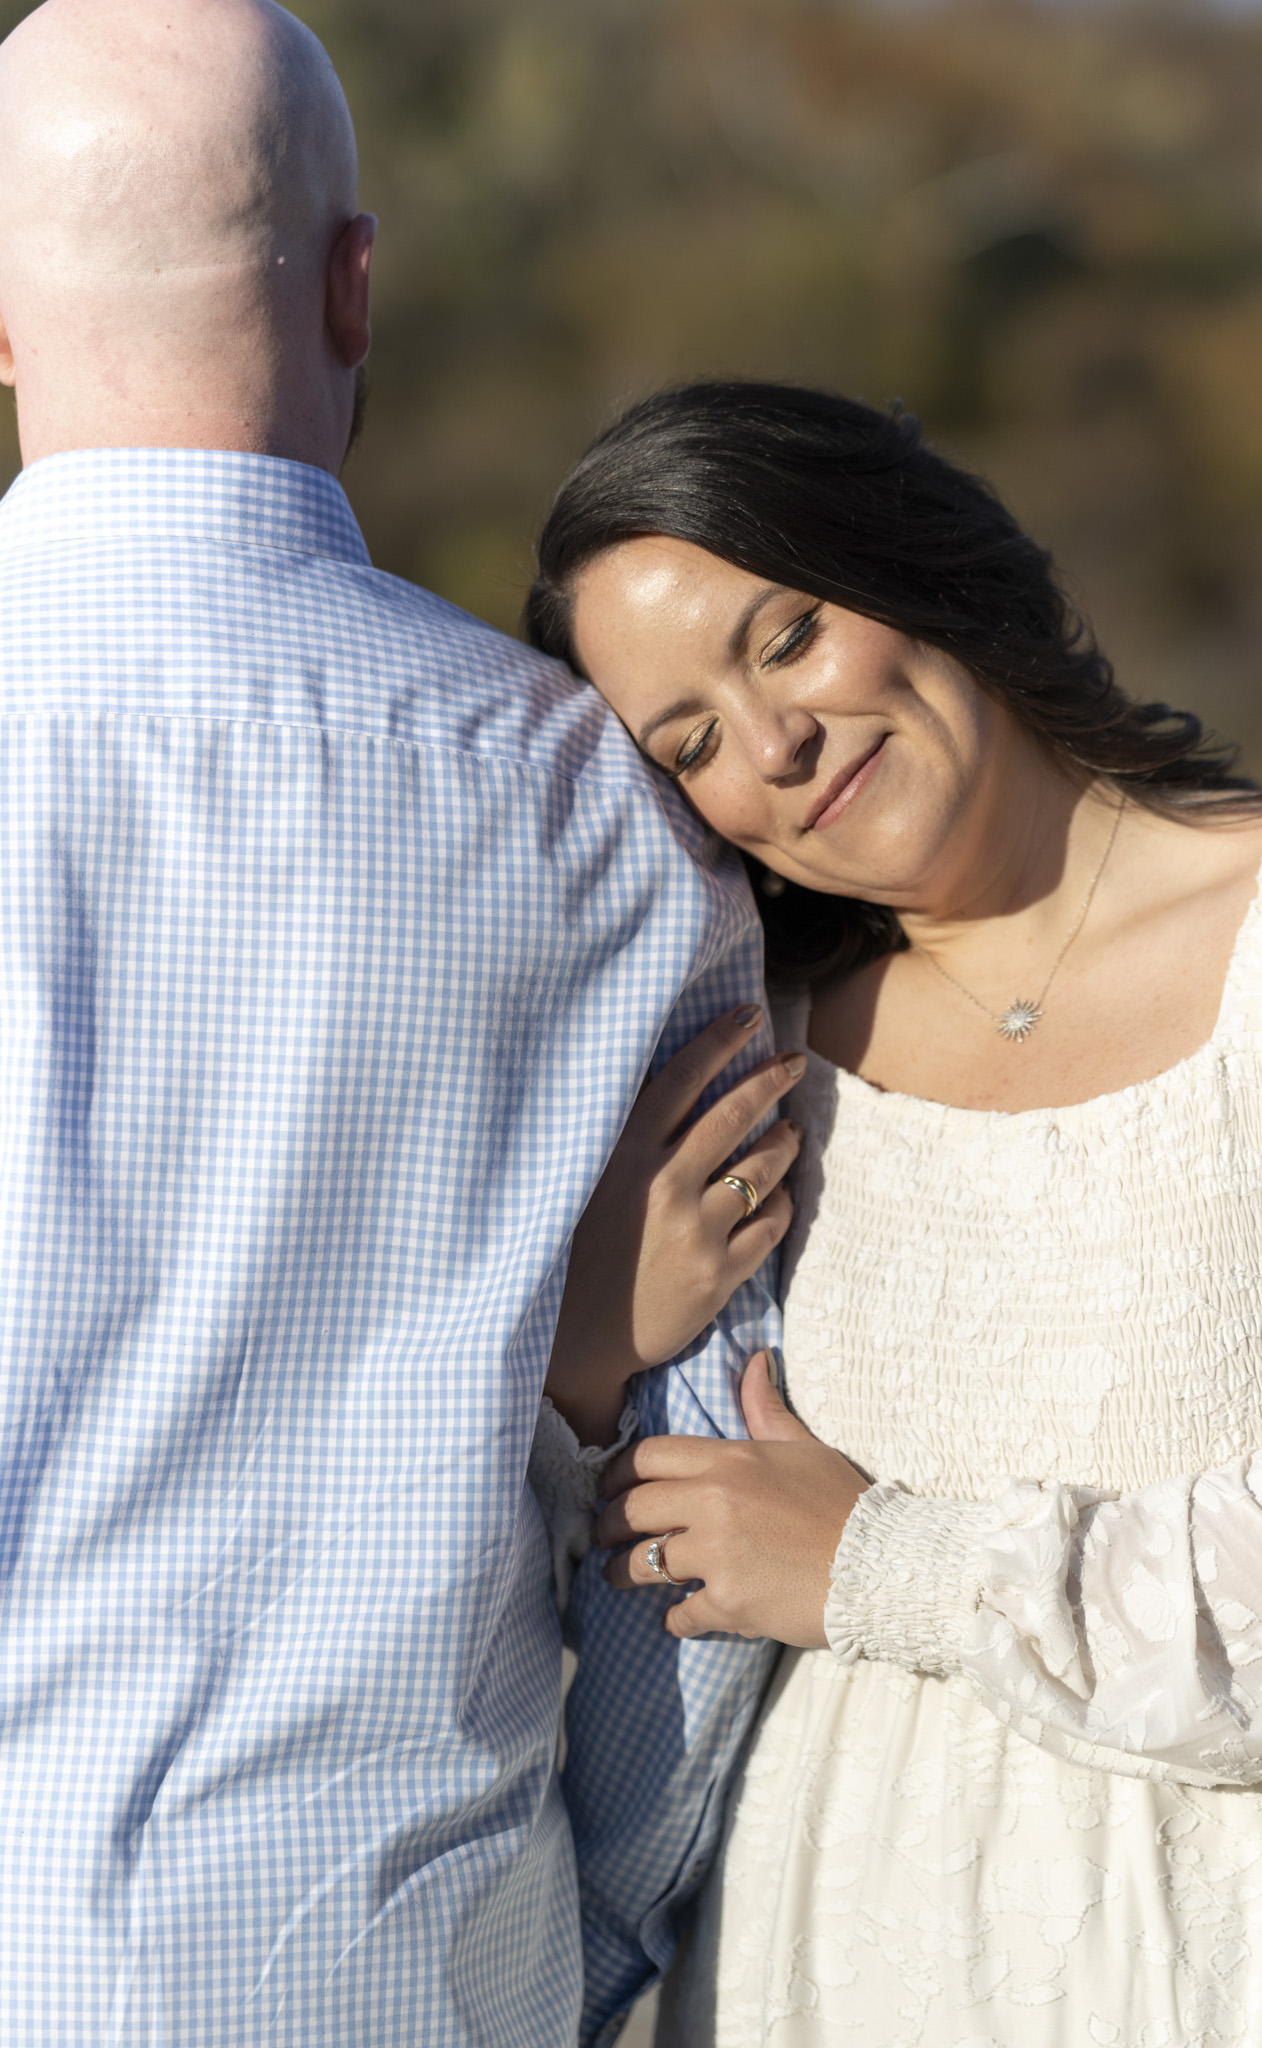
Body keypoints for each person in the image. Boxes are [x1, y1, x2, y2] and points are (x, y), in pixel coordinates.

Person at [524, 380, 1262, 2046]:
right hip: (827, 1965)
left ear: (910, 562)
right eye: (688, 743)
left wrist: (885, 1566)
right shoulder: (748, 1060)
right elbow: (615, 1591)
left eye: (789, 637)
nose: (773, 746)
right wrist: (589, 1355)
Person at [0, 12, 797, 2044]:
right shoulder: (605, 810)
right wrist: (578, 1939)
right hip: (399, 1956)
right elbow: (707, 1481)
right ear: (354, 285)